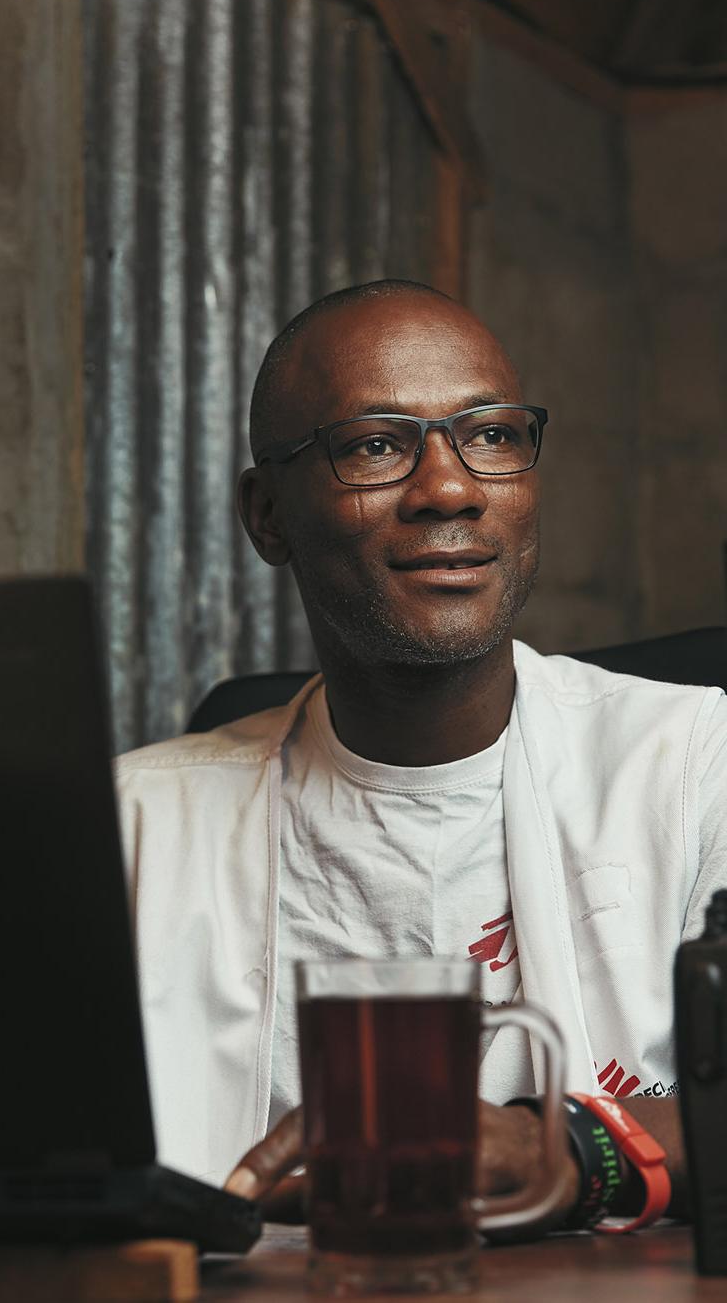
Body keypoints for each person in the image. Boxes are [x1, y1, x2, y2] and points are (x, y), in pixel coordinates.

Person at [116, 279, 727, 1233]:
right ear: (268, 515)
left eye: (490, 434)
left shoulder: (695, 765)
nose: (449, 486)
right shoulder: (136, 824)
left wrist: (561, 1143)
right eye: (375, 444)